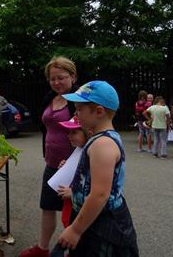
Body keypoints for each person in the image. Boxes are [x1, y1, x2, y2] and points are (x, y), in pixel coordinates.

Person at [57, 80, 139, 256]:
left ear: (99, 111)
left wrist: (76, 230)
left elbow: (100, 194)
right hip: (93, 218)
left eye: (79, 109)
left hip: (103, 225)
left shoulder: (103, 144)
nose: (76, 115)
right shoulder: (100, 139)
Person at [20, 56, 78, 257]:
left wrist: (75, 163)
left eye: (61, 78)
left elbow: (88, 132)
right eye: (52, 79)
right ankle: (42, 249)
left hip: (73, 167)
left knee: (72, 211)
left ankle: (72, 251)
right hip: (52, 163)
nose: (56, 82)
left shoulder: (78, 101)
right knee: (47, 207)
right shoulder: (49, 98)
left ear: (73, 76)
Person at [47, 117, 93, 257]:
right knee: (68, 223)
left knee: (81, 237)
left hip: (79, 207)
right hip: (71, 205)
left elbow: (93, 185)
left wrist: (73, 193)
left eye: (74, 132)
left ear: (87, 133)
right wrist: (65, 165)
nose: (69, 136)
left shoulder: (91, 153)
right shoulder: (79, 149)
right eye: (68, 132)